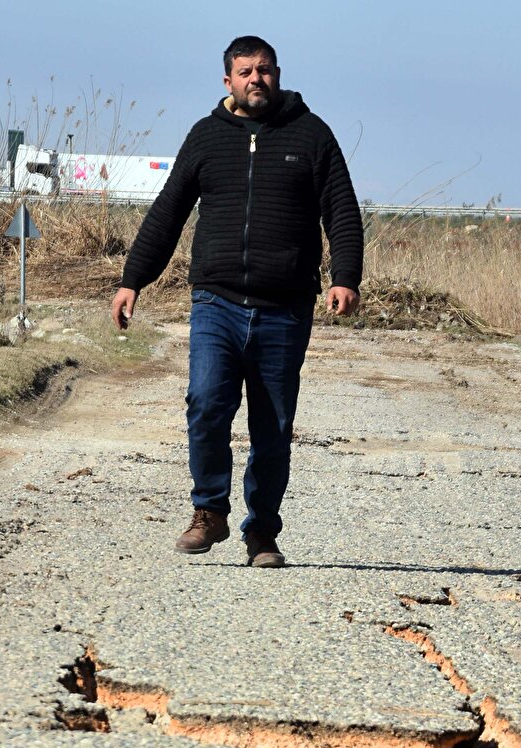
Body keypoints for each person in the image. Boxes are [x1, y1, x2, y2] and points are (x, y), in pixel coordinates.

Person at [111, 34, 363, 568]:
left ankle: (262, 534)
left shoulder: (312, 135)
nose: (256, 79)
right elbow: (168, 211)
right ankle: (209, 512)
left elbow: (341, 208)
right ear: (228, 80)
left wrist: (345, 276)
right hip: (216, 303)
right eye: (245, 71)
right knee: (205, 403)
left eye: (265, 70)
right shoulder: (206, 137)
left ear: (278, 74)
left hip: (285, 308)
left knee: (271, 426)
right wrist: (133, 279)